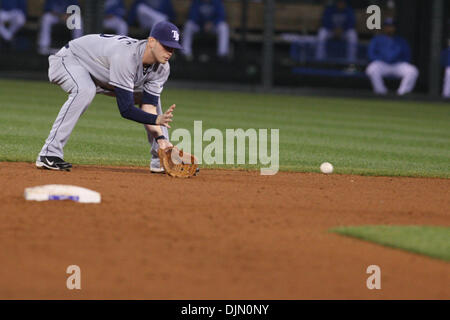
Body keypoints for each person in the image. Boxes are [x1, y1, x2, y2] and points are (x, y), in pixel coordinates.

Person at [36, 21, 181, 172]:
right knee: (85, 90)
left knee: (152, 100)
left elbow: (149, 107)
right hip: (69, 60)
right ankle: (49, 154)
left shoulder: (163, 68)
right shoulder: (126, 57)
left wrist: (161, 138)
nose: (170, 52)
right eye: (166, 46)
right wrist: (156, 119)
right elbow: (126, 109)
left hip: (102, 73)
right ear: (151, 41)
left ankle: (161, 158)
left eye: (173, 48)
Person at [366, 18, 419, 96]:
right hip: (382, 64)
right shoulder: (377, 39)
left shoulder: (401, 41)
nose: (389, 28)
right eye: (387, 26)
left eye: (391, 26)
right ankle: (381, 92)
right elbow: (371, 55)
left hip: (397, 65)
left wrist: (398, 60)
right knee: (371, 69)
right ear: (384, 28)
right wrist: (382, 59)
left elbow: (407, 56)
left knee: (413, 71)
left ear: (395, 28)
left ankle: (402, 93)